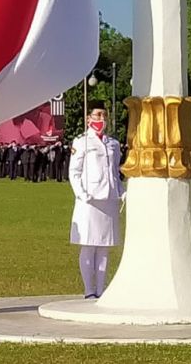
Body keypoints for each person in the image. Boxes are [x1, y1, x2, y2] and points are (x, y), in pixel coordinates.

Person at [68, 100, 124, 300]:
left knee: (104, 247)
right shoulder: (81, 141)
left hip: (108, 198)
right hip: (89, 200)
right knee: (88, 245)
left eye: (103, 115)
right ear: (88, 118)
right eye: (97, 115)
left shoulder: (113, 143)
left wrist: (121, 192)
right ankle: (89, 289)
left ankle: (101, 289)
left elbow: (115, 173)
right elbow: (74, 172)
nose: (101, 119)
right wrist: (82, 194)